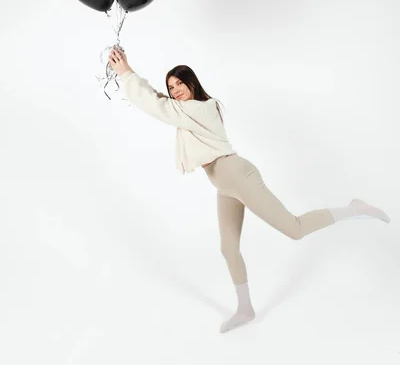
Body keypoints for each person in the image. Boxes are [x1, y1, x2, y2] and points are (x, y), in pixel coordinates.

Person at [108, 46, 391, 334]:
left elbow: (160, 107)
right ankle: (245, 309)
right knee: (228, 248)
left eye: (180, 83)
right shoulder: (185, 110)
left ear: (192, 83)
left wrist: (126, 73)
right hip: (224, 184)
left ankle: (355, 208)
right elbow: (157, 100)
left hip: (237, 175)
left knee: (294, 229)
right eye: (171, 87)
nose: (176, 90)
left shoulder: (202, 108)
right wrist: (130, 74)